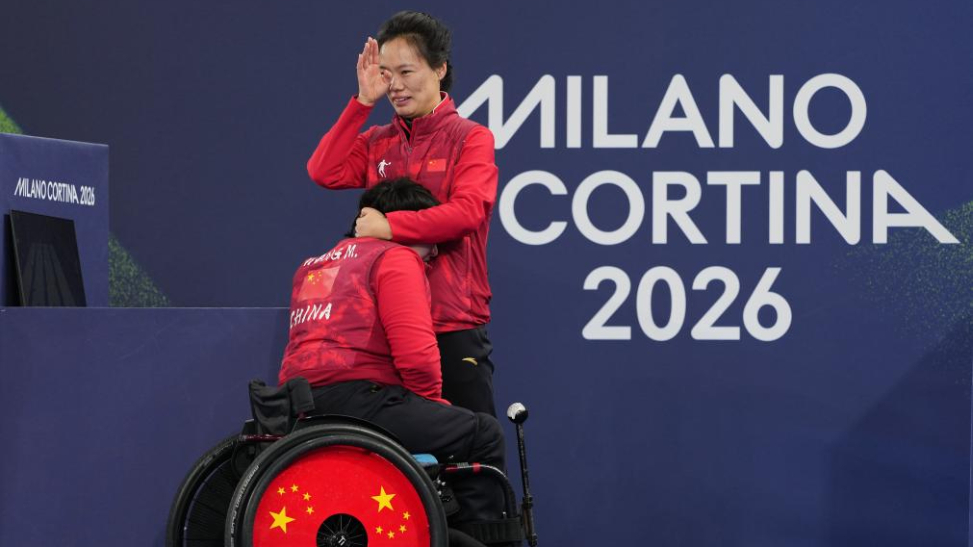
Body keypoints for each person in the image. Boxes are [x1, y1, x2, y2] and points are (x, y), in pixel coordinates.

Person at [278, 178, 504, 527]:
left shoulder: (312, 266)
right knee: (483, 434)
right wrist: (431, 403)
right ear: (401, 224)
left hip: (299, 407)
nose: (435, 251)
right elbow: (417, 357)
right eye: (429, 236)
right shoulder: (395, 258)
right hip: (361, 404)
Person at [307, 11, 499, 417]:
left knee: (472, 446)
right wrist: (362, 103)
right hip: (384, 325)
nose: (394, 85)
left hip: (450, 322)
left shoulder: (471, 138)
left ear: (439, 69)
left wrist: (388, 227)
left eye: (406, 71)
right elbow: (323, 170)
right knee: (395, 451)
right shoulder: (378, 141)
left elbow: (467, 213)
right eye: (386, 73)